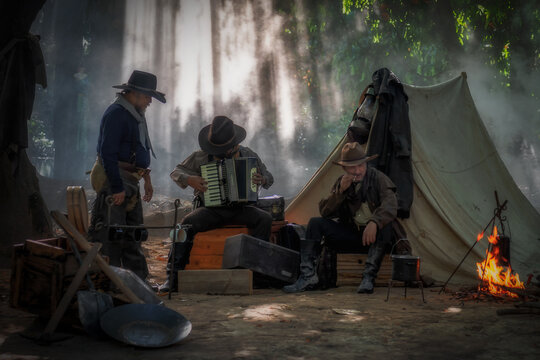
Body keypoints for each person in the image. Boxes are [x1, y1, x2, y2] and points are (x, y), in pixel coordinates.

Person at [160, 115, 274, 293]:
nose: (220, 153)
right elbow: (176, 172)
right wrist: (190, 179)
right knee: (182, 227)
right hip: (211, 210)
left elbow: (269, 178)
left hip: (242, 208)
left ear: (234, 145)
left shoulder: (248, 155)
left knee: (265, 219)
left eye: (225, 149)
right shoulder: (201, 156)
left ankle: (256, 275)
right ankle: (172, 277)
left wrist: (262, 178)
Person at [283, 142, 397, 294]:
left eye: (361, 166)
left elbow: (391, 205)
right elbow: (325, 212)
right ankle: (308, 276)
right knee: (315, 223)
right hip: (354, 235)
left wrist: (375, 222)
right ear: (344, 168)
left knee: (386, 225)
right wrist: (340, 192)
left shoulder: (378, 178)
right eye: (352, 167)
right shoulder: (342, 182)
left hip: (377, 238)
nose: (357, 171)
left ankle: (368, 277)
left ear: (366, 164)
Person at [87, 70, 165, 283]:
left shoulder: (133, 113)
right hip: (116, 181)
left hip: (129, 180)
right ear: (135, 93)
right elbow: (107, 154)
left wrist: (146, 179)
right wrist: (117, 187)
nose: (150, 101)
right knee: (113, 236)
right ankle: (110, 284)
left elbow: (136, 154)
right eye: (148, 96)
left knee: (133, 235)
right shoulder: (117, 114)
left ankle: (138, 284)